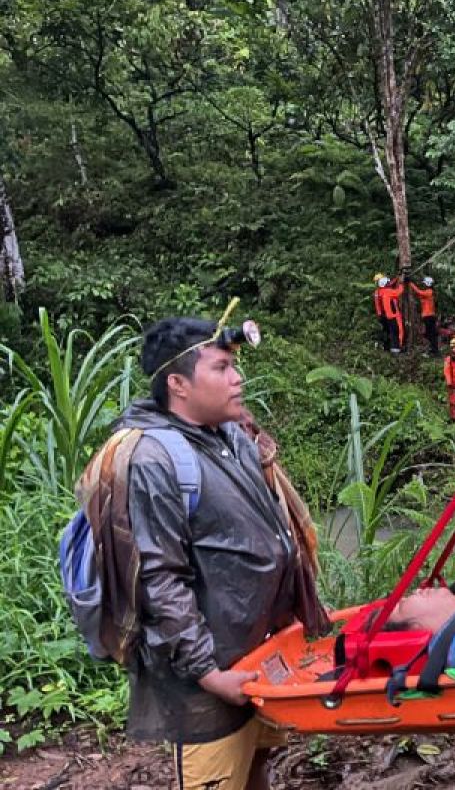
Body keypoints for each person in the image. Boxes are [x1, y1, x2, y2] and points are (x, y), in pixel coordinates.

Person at [115, 316, 325, 790]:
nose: (238, 378)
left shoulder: (232, 436)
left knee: (256, 768)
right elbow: (159, 578)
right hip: (208, 678)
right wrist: (209, 674)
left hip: (260, 655)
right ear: (178, 384)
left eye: (235, 366)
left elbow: (271, 535)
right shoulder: (155, 460)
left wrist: (298, 610)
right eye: (222, 367)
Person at [408, 275, 439, 356]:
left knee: (431, 334)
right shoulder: (426, 292)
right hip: (426, 316)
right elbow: (418, 294)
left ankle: (434, 351)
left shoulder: (429, 292)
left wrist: (411, 283)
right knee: (428, 334)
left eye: (425, 284)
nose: (424, 285)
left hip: (429, 316)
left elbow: (418, 292)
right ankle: (432, 350)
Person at [378, 276, 403, 354]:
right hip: (392, 316)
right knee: (395, 332)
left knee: (389, 332)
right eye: (388, 283)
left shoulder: (380, 291)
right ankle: (395, 349)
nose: (389, 283)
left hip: (386, 316)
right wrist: (401, 283)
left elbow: (390, 284)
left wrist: (396, 278)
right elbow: (399, 291)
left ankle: (388, 348)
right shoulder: (388, 291)